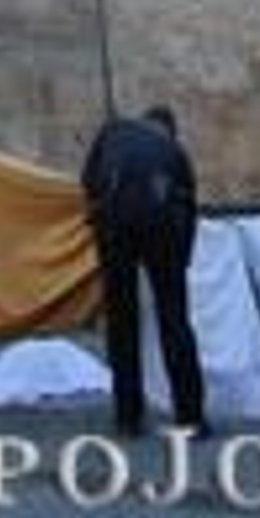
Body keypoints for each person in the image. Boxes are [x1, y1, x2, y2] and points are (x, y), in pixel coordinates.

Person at [81, 103, 208, 439]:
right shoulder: (174, 151)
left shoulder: (113, 131)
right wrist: (181, 265)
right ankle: (191, 417)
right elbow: (188, 207)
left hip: (115, 222)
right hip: (163, 223)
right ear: (169, 129)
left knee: (122, 322)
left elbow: (89, 181)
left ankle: (128, 418)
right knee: (175, 320)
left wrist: (99, 222)